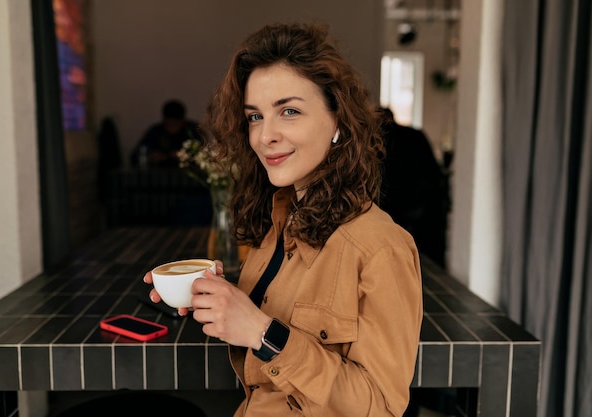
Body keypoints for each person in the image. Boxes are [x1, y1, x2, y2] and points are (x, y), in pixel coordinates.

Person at [143, 23, 423, 416]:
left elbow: (381, 406)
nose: (265, 135)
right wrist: (218, 299)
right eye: (255, 116)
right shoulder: (278, 221)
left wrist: (263, 332)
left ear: (338, 121)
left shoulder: (380, 247)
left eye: (288, 111)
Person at [378, 108, 449, 268]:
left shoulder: (379, 140)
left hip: (395, 212)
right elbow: (435, 176)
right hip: (421, 212)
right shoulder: (415, 136)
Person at [130, 99, 201, 168]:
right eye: (169, 124)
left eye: (175, 124)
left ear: (182, 122)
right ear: (164, 121)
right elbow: (136, 156)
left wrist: (187, 157)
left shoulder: (192, 131)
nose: (172, 128)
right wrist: (150, 157)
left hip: (188, 176)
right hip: (159, 176)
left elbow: (204, 156)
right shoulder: (156, 132)